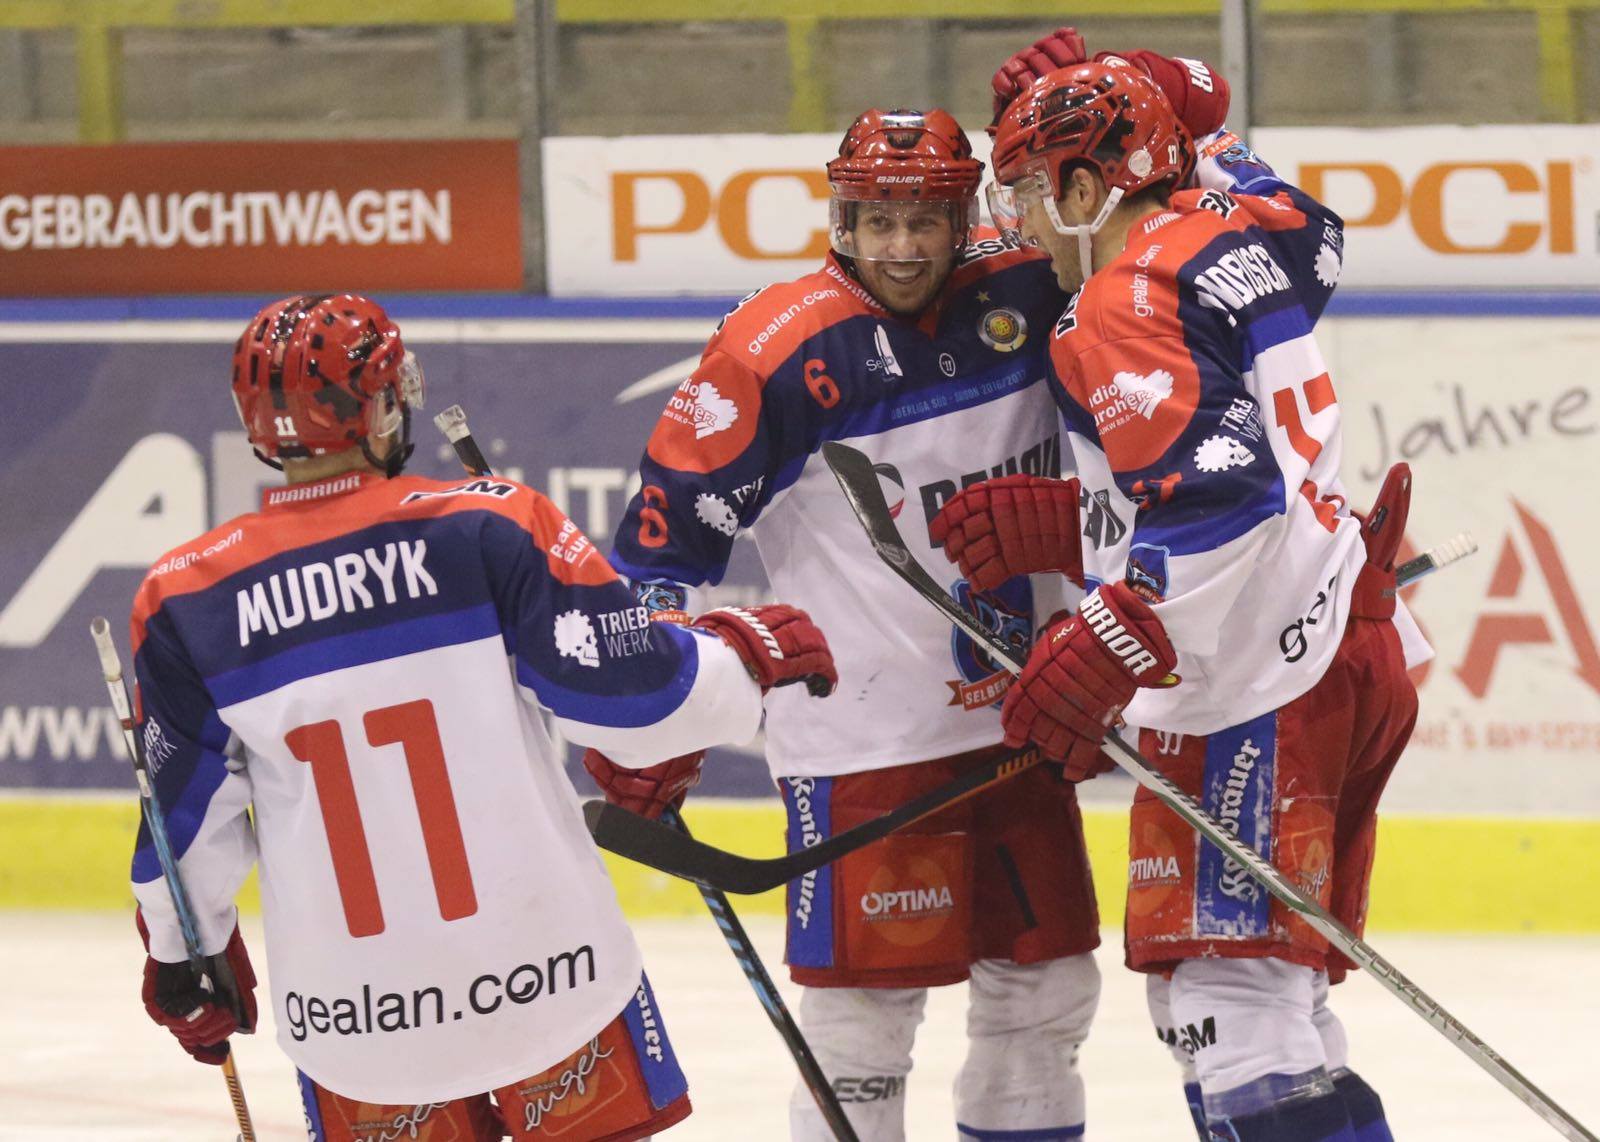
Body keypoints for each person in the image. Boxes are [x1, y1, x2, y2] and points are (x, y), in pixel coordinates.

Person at [129, 293, 837, 1142]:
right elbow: (644, 708)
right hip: (552, 988)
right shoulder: (490, 524)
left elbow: (180, 831)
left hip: (355, 1031)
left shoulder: (187, 597)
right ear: (381, 406)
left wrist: (184, 956)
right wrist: (744, 655)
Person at [931, 47, 1431, 1142]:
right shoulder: (1238, 232)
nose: (1019, 223)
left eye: (1029, 189)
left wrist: (1108, 635)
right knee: (1263, 1003)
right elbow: (1314, 231)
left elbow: (1219, 501)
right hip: (1340, 636)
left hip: (1254, 681)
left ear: (1086, 188)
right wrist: (1086, 524)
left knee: (1229, 1005)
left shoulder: (1120, 298)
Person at [586, 108, 1101, 1142]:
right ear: (843, 217)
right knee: (862, 1034)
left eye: (924, 220)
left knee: (1047, 997)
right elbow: (657, 551)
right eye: (877, 221)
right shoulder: (772, 349)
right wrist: (645, 710)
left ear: (966, 215)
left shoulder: (1034, 283)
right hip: (865, 749)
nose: (900, 246)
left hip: (1024, 725)